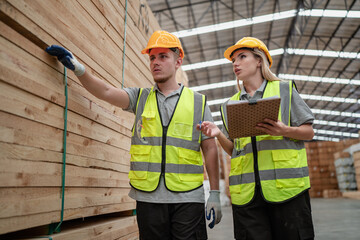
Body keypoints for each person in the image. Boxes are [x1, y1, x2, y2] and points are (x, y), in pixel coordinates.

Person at [46, 30, 222, 240]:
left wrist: (215, 193)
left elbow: (210, 148)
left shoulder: (198, 102)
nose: (155, 62)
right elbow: (106, 92)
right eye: (152, 58)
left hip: (188, 198)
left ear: (178, 61)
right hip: (149, 198)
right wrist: (79, 69)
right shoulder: (140, 98)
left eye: (163, 56)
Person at [197, 37, 315, 240]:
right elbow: (235, 150)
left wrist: (284, 130)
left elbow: (309, 131)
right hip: (247, 197)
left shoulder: (284, 90)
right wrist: (218, 135)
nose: (236, 63)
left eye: (242, 57)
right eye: (234, 59)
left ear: (259, 60)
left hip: (287, 192)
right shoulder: (228, 105)